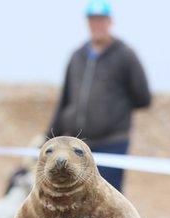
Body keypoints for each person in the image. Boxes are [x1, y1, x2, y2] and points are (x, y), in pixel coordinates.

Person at [47, 0, 151, 192]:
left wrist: (113, 111)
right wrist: (48, 136)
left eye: (101, 20)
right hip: (77, 145)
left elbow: (143, 97)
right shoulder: (77, 56)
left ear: (110, 22)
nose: (97, 25)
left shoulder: (125, 55)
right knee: (74, 200)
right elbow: (65, 99)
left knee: (107, 200)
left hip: (112, 143)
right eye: (93, 20)